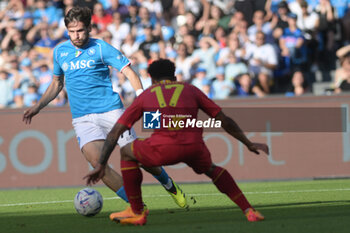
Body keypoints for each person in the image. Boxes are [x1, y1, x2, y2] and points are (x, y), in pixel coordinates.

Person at [22, 6, 187, 209]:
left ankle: (170, 185)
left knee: (138, 156)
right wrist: (38, 106)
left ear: (89, 28)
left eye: (80, 30)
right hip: (82, 118)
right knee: (98, 164)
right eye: (72, 31)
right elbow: (57, 83)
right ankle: (137, 207)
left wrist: (142, 99)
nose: (76, 35)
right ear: (67, 30)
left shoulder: (101, 48)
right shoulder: (59, 52)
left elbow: (129, 72)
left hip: (111, 111)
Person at [84, 59, 269, 226]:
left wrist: (101, 164)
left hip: (162, 149)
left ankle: (137, 211)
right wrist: (248, 143)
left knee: (126, 151)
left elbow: (116, 132)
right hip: (194, 147)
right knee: (212, 169)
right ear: (174, 76)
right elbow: (223, 119)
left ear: (151, 79)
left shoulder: (146, 96)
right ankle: (249, 210)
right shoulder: (191, 89)